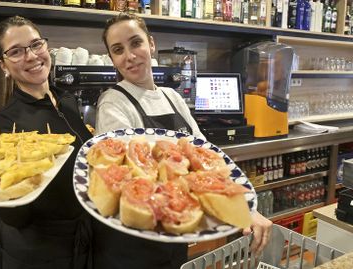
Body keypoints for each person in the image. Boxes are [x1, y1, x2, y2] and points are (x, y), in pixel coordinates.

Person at [94, 12, 272, 268]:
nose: (130, 56)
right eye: (118, 49)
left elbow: (207, 158)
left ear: (151, 43)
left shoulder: (172, 97)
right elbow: (129, 179)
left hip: (174, 234)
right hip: (133, 244)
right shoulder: (114, 102)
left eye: (136, 43)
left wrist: (245, 207)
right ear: (112, 58)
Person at [0, 16, 93, 269]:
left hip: (83, 242)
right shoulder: (1, 126)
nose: (31, 56)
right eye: (16, 52)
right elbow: (14, 215)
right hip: (37, 252)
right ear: (3, 66)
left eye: (36, 45)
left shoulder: (67, 101)